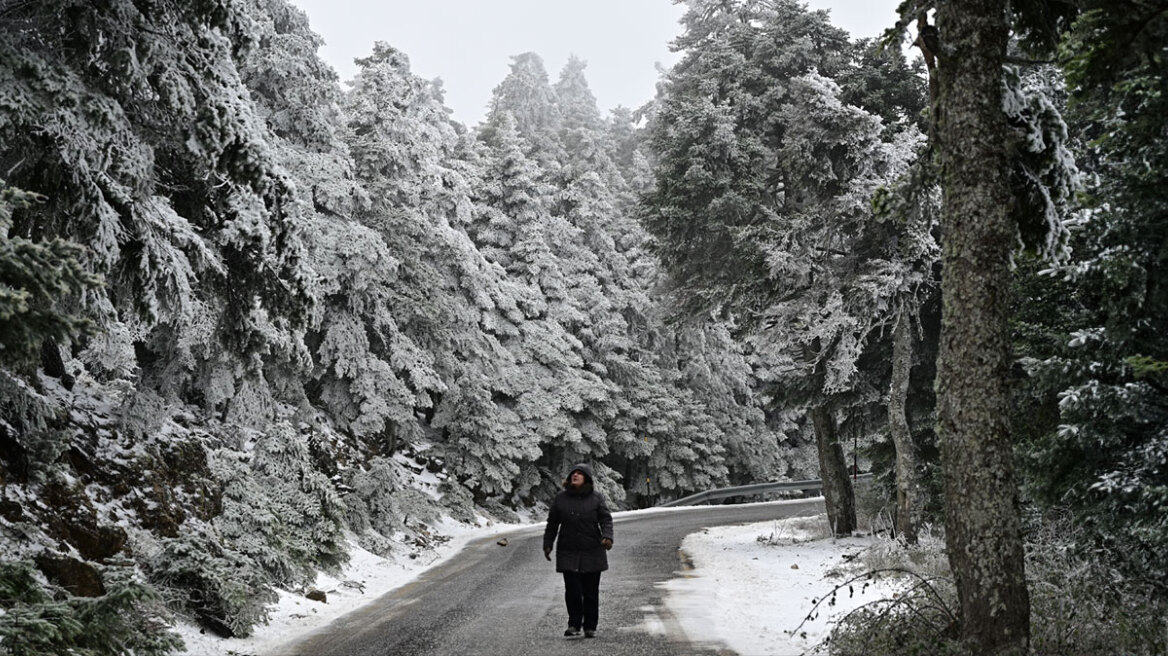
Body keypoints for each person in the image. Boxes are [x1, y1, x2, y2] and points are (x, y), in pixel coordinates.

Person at [542, 463, 614, 638]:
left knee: (590, 592)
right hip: (569, 550)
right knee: (573, 590)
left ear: (586, 479)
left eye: (579, 474)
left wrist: (607, 536)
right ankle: (574, 624)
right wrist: (548, 543)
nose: (575, 475)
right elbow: (552, 523)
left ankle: (590, 626)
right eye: (573, 473)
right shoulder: (561, 498)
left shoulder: (596, 498)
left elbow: (605, 519)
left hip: (592, 550)